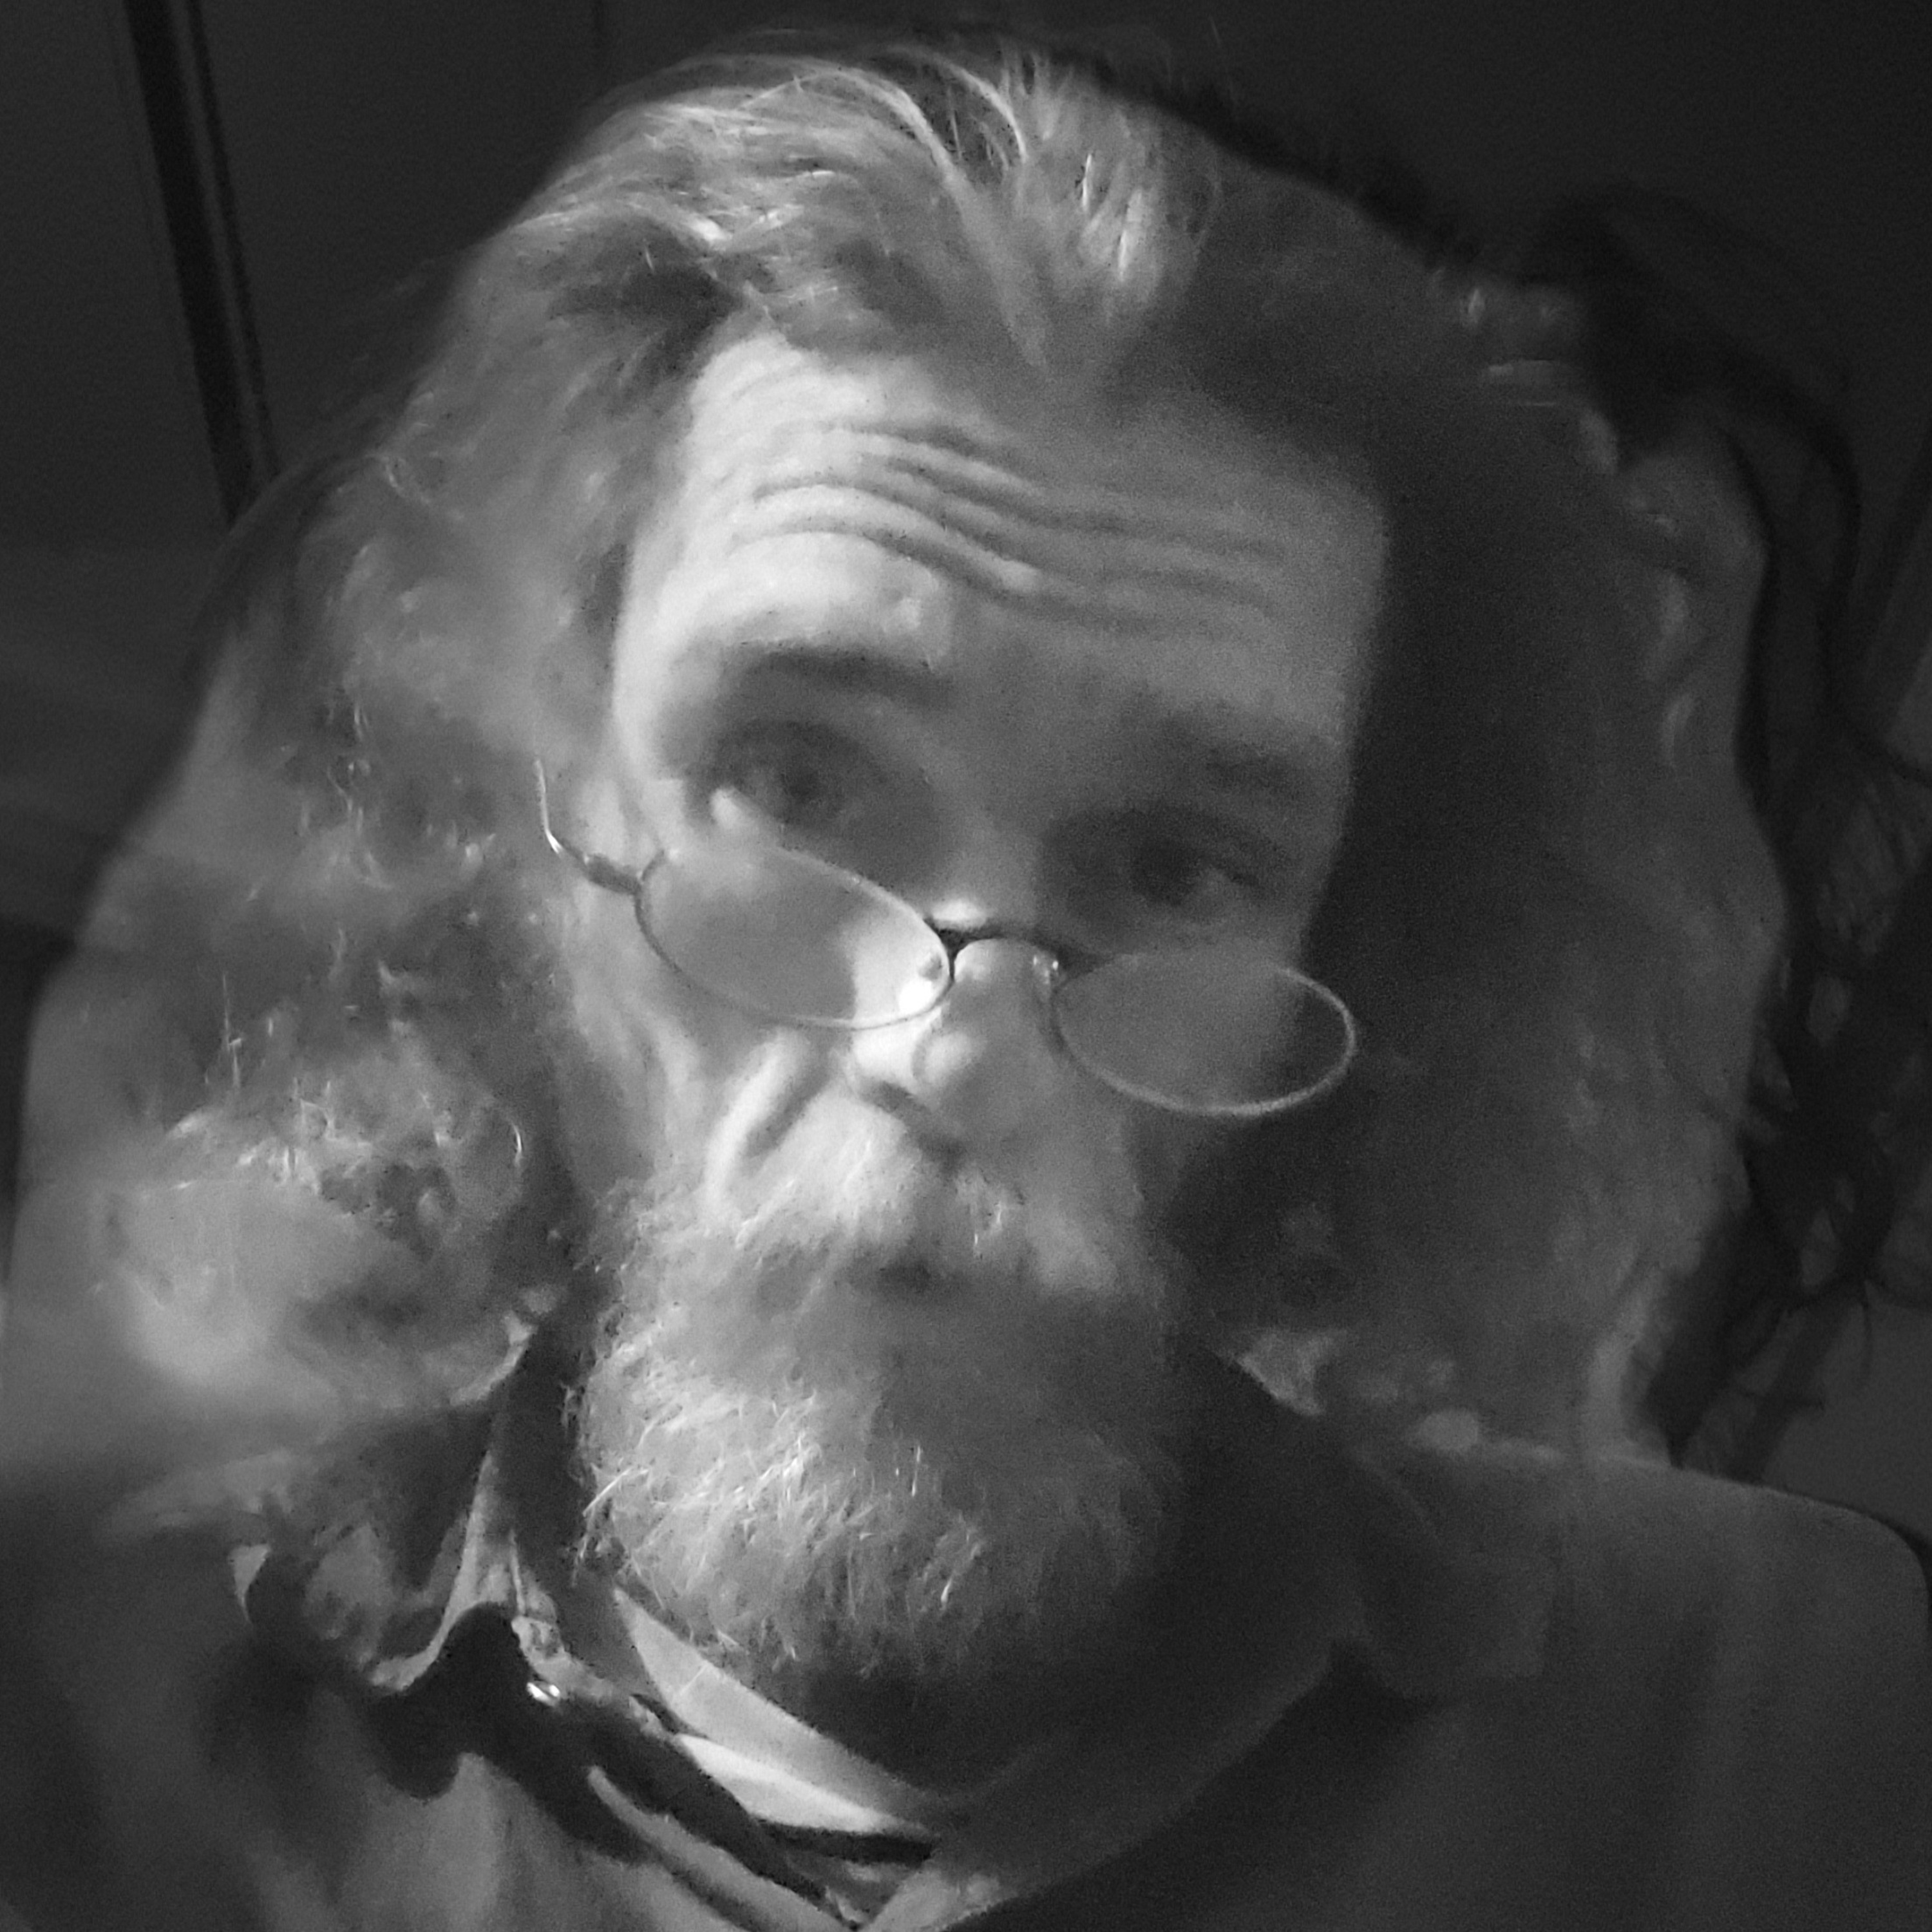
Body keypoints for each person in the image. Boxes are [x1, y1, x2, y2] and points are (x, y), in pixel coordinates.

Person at [0, 30, 1925, 1932]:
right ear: (537, 825)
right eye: (791, 780)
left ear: (1352, 967)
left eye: (1176, 867)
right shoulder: (91, 1719)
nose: (951, 1052)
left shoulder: (1790, 1712)